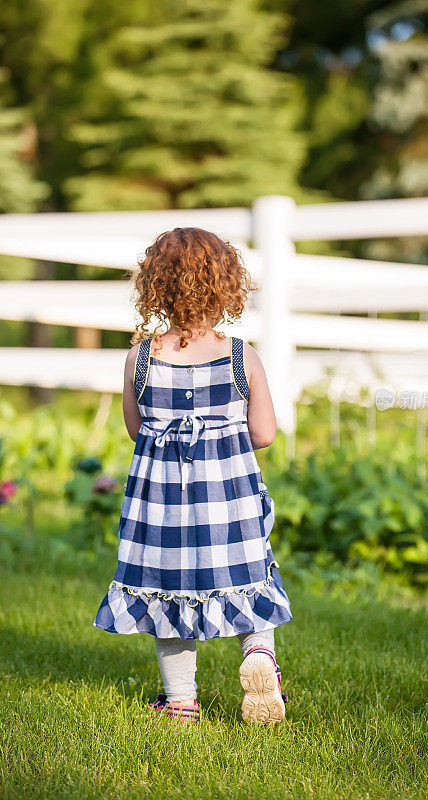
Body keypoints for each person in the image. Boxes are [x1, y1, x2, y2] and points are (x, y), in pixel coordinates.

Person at [93, 227, 292, 725]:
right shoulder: (241, 357)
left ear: (154, 288)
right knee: (250, 575)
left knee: (169, 591)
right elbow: (264, 433)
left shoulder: (140, 359)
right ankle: (259, 656)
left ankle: (181, 700)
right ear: (227, 286)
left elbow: (136, 430)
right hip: (230, 500)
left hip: (160, 507)